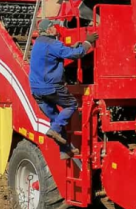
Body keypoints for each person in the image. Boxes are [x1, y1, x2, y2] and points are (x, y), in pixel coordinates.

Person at [29, 19, 99, 156]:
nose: (56, 29)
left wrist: (73, 46)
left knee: (56, 118)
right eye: (53, 27)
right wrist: (87, 42)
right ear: (49, 30)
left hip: (36, 90)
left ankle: (65, 150)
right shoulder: (53, 44)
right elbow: (76, 55)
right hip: (50, 87)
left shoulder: (38, 43)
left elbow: (57, 53)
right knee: (71, 105)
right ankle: (54, 130)